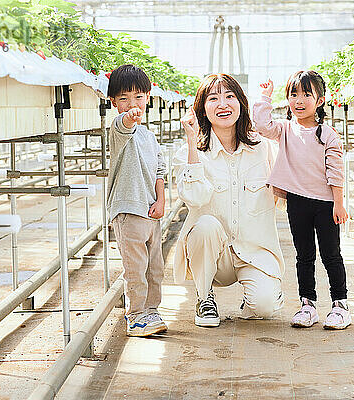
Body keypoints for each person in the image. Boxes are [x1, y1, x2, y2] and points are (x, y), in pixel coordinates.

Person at [174, 73, 285, 327]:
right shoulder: (189, 153)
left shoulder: (263, 147)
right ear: (202, 109)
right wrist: (192, 140)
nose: (222, 104)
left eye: (229, 96)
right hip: (216, 254)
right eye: (213, 99)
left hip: (253, 252)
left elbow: (287, 183)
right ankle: (204, 297)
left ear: (241, 103)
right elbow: (195, 197)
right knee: (205, 226)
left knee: (265, 307)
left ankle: (255, 296)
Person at [253, 70, 351, 330]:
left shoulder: (326, 133)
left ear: (319, 100)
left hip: (326, 204)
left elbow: (336, 169)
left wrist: (338, 202)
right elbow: (261, 125)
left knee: (331, 255)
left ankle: (340, 305)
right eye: (293, 94)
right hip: (297, 202)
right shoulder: (284, 129)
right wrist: (265, 96)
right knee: (304, 256)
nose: (299, 100)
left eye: (306, 94)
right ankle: (307, 305)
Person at [107, 64, 167, 337]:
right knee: (135, 268)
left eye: (138, 97)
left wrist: (161, 200)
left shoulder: (150, 136)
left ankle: (151, 309)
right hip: (128, 210)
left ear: (148, 97)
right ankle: (136, 316)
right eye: (124, 98)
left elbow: (159, 170)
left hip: (151, 210)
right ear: (113, 102)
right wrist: (128, 118)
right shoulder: (120, 131)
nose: (132, 104)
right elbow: (123, 124)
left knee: (155, 267)